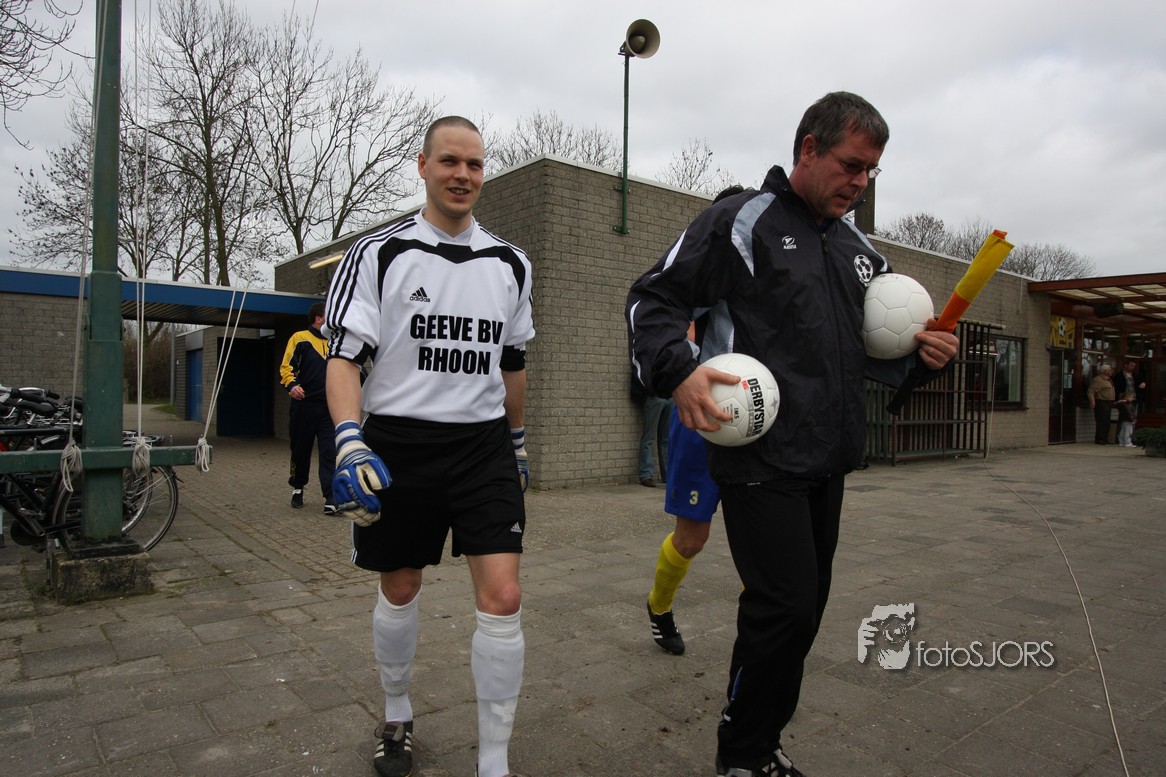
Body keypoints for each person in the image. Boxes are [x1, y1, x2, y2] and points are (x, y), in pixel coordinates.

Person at [626, 92, 959, 777]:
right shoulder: (741, 221)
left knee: (804, 613)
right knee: (784, 607)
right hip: (756, 453)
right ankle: (743, 753)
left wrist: (923, 360)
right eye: (851, 165)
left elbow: (872, 353)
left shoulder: (858, 251)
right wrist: (679, 369)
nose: (860, 182)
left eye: (870, 171)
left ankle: (763, 740)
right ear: (808, 148)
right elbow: (653, 296)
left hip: (828, 456)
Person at [323, 116, 534, 777]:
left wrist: (518, 443)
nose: (462, 175)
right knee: (402, 583)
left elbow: (513, 364)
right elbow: (342, 358)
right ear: (423, 165)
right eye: (449, 161)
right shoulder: (378, 253)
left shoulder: (511, 263)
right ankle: (396, 712)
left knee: (503, 597)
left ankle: (494, 761)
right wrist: (348, 440)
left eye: (475, 164)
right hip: (398, 444)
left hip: (482, 447)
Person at [646, 186, 744, 656]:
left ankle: (762, 633)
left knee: (762, 541)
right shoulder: (705, 265)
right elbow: (676, 313)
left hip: (758, 423)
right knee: (692, 539)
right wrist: (685, 368)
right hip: (702, 417)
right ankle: (659, 605)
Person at [279, 301, 337, 513]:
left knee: (330, 452)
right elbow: (286, 367)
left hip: (329, 407)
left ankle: (331, 498)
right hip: (304, 407)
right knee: (300, 449)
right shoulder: (299, 338)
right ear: (318, 319)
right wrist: (292, 386)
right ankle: (297, 487)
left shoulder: (336, 343)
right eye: (328, 315)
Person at [634, 375, 672, 487]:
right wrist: (651, 390)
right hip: (654, 396)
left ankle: (668, 475)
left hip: (670, 396)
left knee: (666, 439)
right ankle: (646, 475)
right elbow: (641, 373)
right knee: (649, 437)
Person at [1087, 364, 1116, 445]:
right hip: (1101, 402)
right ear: (1105, 371)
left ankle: (1105, 438)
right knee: (1101, 421)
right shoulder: (1099, 380)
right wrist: (1092, 401)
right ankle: (1099, 439)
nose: (1112, 372)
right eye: (1110, 370)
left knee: (1107, 422)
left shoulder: (1109, 380)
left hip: (1109, 402)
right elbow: (1091, 391)